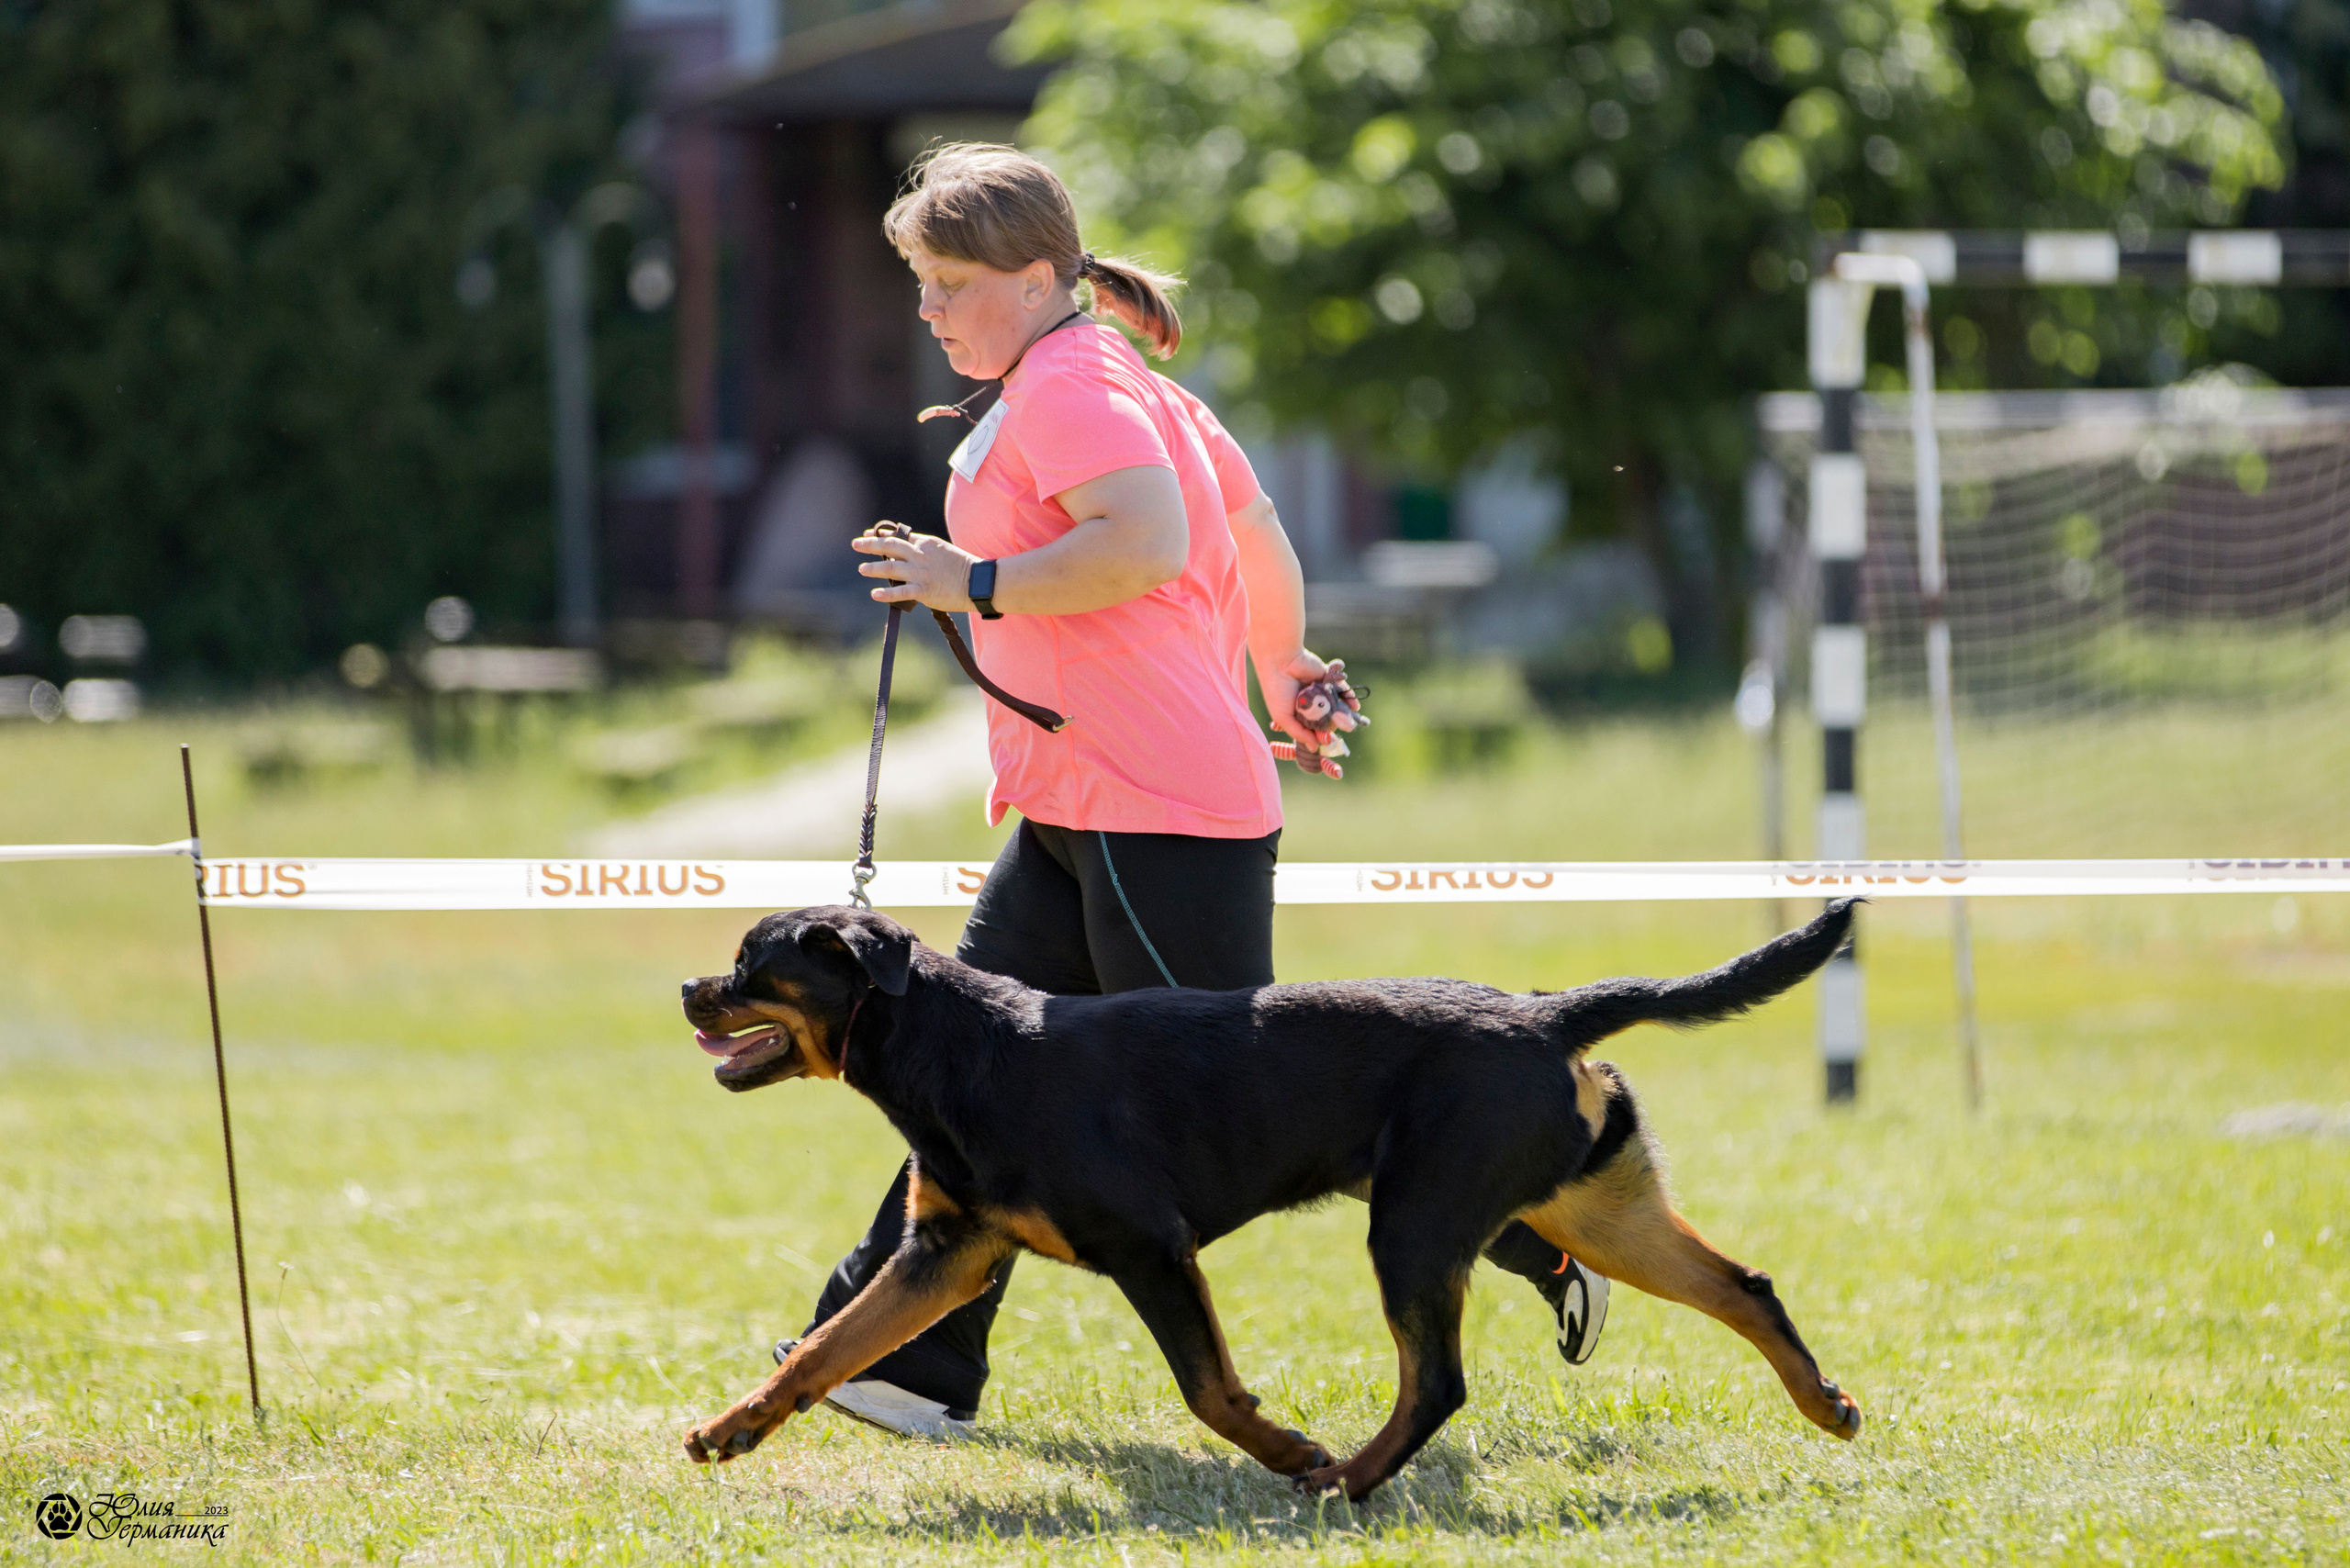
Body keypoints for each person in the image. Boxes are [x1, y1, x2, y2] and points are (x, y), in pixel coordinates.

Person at [774, 144, 1607, 1439]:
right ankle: (907, 1366)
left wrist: (972, 581)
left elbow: (1151, 542)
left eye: (946, 281)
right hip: (1074, 802)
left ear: (1038, 275)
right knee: (962, 1081)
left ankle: (1544, 1235)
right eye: (916, 282)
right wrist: (1281, 669)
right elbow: (1258, 526)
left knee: (1288, 1114)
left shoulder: (1074, 384)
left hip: (1158, 808)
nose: (925, 309)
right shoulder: (1105, 374)